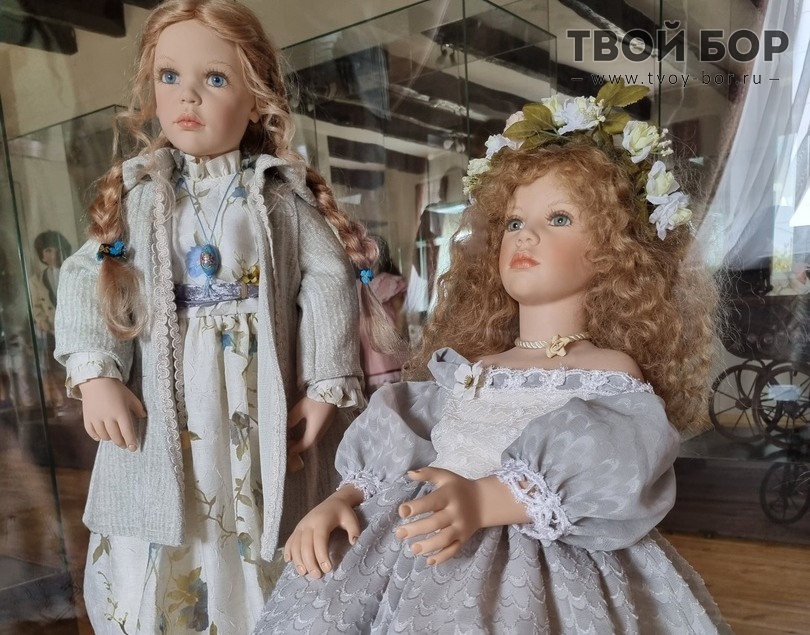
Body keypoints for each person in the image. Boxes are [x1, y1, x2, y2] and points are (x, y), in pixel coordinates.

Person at [253, 85, 731, 633]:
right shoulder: (472, 371)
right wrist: (344, 496)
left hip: (542, 566)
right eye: (513, 222)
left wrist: (486, 500)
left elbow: (616, 461)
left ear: (613, 249)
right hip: (416, 547)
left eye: (559, 218)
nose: (526, 235)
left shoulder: (607, 373)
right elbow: (402, 439)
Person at [53, 1, 391, 632]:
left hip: (258, 401)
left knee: (262, 512)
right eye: (169, 77)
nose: (188, 96)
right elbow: (84, 277)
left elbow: (328, 281)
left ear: (257, 99)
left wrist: (326, 384)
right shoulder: (142, 196)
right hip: (167, 398)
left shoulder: (278, 197)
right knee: (174, 513)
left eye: (214, 79)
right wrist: (96, 372)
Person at [356, 234, 407, 395]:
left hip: (384, 335)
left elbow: (399, 311)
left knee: (391, 385)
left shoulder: (388, 281)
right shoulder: (358, 285)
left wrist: (398, 333)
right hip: (365, 339)